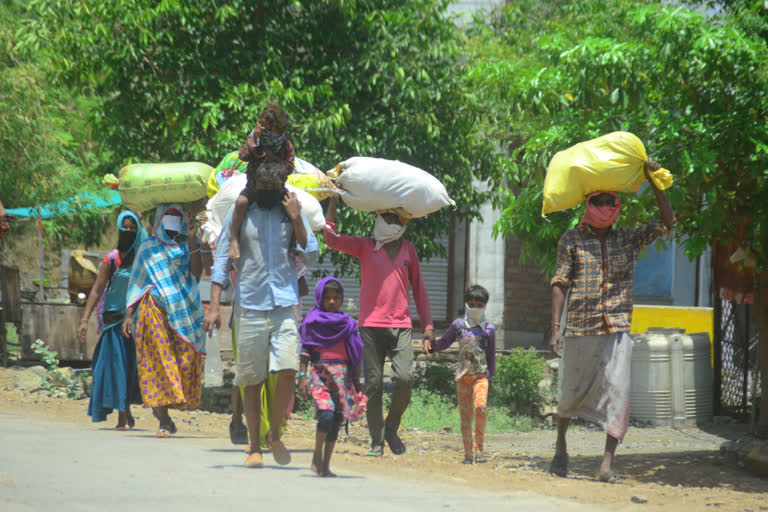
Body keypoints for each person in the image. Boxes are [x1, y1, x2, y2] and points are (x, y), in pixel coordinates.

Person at [548, 160, 675, 483]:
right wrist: (555, 327)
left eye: (610, 202)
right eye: (598, 202)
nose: (605, 208)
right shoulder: (571, 241)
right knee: (571, 392)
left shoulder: (627, 239)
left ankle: (606, 464)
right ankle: (561, 446)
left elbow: (667, 222)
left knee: (618, 394)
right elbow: (560, 282)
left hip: (617, 327)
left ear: (617, 207)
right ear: (588, 205)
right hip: (580, 327)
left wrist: (655, 182)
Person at [204, 161, 318, 469]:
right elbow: (220, 261)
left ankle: (274, 434)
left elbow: (312, 254)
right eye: (263, 189)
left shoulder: (291, 210)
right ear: (255, 186)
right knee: (250, 379)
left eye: (273, 189)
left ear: (282, 186)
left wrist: (296, 220)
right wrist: (214, 306)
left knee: (288, 371)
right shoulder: (241, 213)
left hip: (283, 305)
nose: (268, 194)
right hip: (250, 305)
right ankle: (254, 445)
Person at [324, 195, 435, 457]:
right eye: (388, 217)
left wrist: (428, 325)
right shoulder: (365, 246)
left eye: (397, 218)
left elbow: (419, 290)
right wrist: (333, 201)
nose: (392, 222)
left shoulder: (408, 249)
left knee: (405, 379)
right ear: (379, 219)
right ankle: (377, 440)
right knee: (372, 384)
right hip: (370, 326)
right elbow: (331, 238)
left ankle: (391, 427)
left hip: (401, 326)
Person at [122, 204, 205, 437]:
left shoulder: (187, 245)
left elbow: (198, 273)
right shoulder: (148, 248)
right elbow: (137, 281)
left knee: (185, 362)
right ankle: (164, 419)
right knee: (158, 361)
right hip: (153, 308)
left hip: (184, 311)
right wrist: (129, 315)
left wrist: (191, 240)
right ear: (159, 220)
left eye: (176, 217)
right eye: (167, 217)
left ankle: (164, 411)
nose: (171, 222)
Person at [78, 211, 146, 428]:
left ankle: (125, 408)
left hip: (134, 319)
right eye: (124, 228)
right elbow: (97, 290)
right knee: (112, 366)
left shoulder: (141, 259)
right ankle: (121, 413)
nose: (128, 232)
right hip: (112, 318)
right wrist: (84, 319)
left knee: (129, 367)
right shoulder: (112, 258)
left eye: (132, 229)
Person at [298, 276, 367, 477]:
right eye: (327, 298)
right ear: (320, 298)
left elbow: (356, 355)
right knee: (326, 414)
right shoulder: (312, 321)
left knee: (337, 419)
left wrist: (358, 382)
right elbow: (305, 352)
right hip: (320, 375)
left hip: (342, 377)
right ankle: (316, 455)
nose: (331, 302)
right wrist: (302, 377)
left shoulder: (348, 324)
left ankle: (326, 465)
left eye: (336, 298)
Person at [424, 284, 496, 464]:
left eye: (480, 305)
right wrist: (431, 345)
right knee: (465, 417)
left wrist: (491, 378)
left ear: (485, 305)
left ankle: (479, 449)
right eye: (472, 304)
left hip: (481, 376)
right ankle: (468, 455)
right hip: (463, 378)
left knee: (480, 407)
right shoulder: (458, 325)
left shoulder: (489, 329)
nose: (475, 308)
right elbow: (445, 342)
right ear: (466, 304)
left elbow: (491, 355)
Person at [228, 103, 295, 260]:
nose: (270, 133)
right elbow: (242, 156)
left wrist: (272, 157)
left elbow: (289, 167)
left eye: (274, 130)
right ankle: (233, 240)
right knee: (241, 202)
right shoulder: (256, 140)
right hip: (254, 187)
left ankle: (293, 244)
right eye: (266, 128)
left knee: (293, 208)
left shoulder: (286, 145)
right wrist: (254, 139)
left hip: (276, 188)